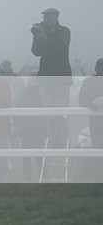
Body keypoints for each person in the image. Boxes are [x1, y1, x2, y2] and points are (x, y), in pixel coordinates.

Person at [30, 8, 72, 148]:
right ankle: (51, 138)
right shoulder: (41, 32)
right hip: (46, 76)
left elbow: (61, 48)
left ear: (56, 17)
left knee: (60, 109)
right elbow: (36, 52)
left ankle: (62, 139)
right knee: (47, 109)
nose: (47, 19)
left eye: (49, 16)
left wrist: (45, 39)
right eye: (45, 16)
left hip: (61, 75)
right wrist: (37, 37)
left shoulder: (65, 31)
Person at [14, 72, 47, 181]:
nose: (33, 80)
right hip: (25, 129)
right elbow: (18, 108)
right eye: (31, 78)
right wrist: (17, 124)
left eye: (35, 78)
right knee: (26, 155)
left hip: (39, 128)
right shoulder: (23, 93)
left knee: (40, 155)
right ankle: (27, 178)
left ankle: (42, 177)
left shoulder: (43, 92)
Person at [78, 58, 103, 180]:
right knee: (98, 149)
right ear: (96, 68)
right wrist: (94, 105)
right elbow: (82, 100)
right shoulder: (89, 82)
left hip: (96, 124)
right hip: (97, 124)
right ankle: (99, 177)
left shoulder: (88, 81)